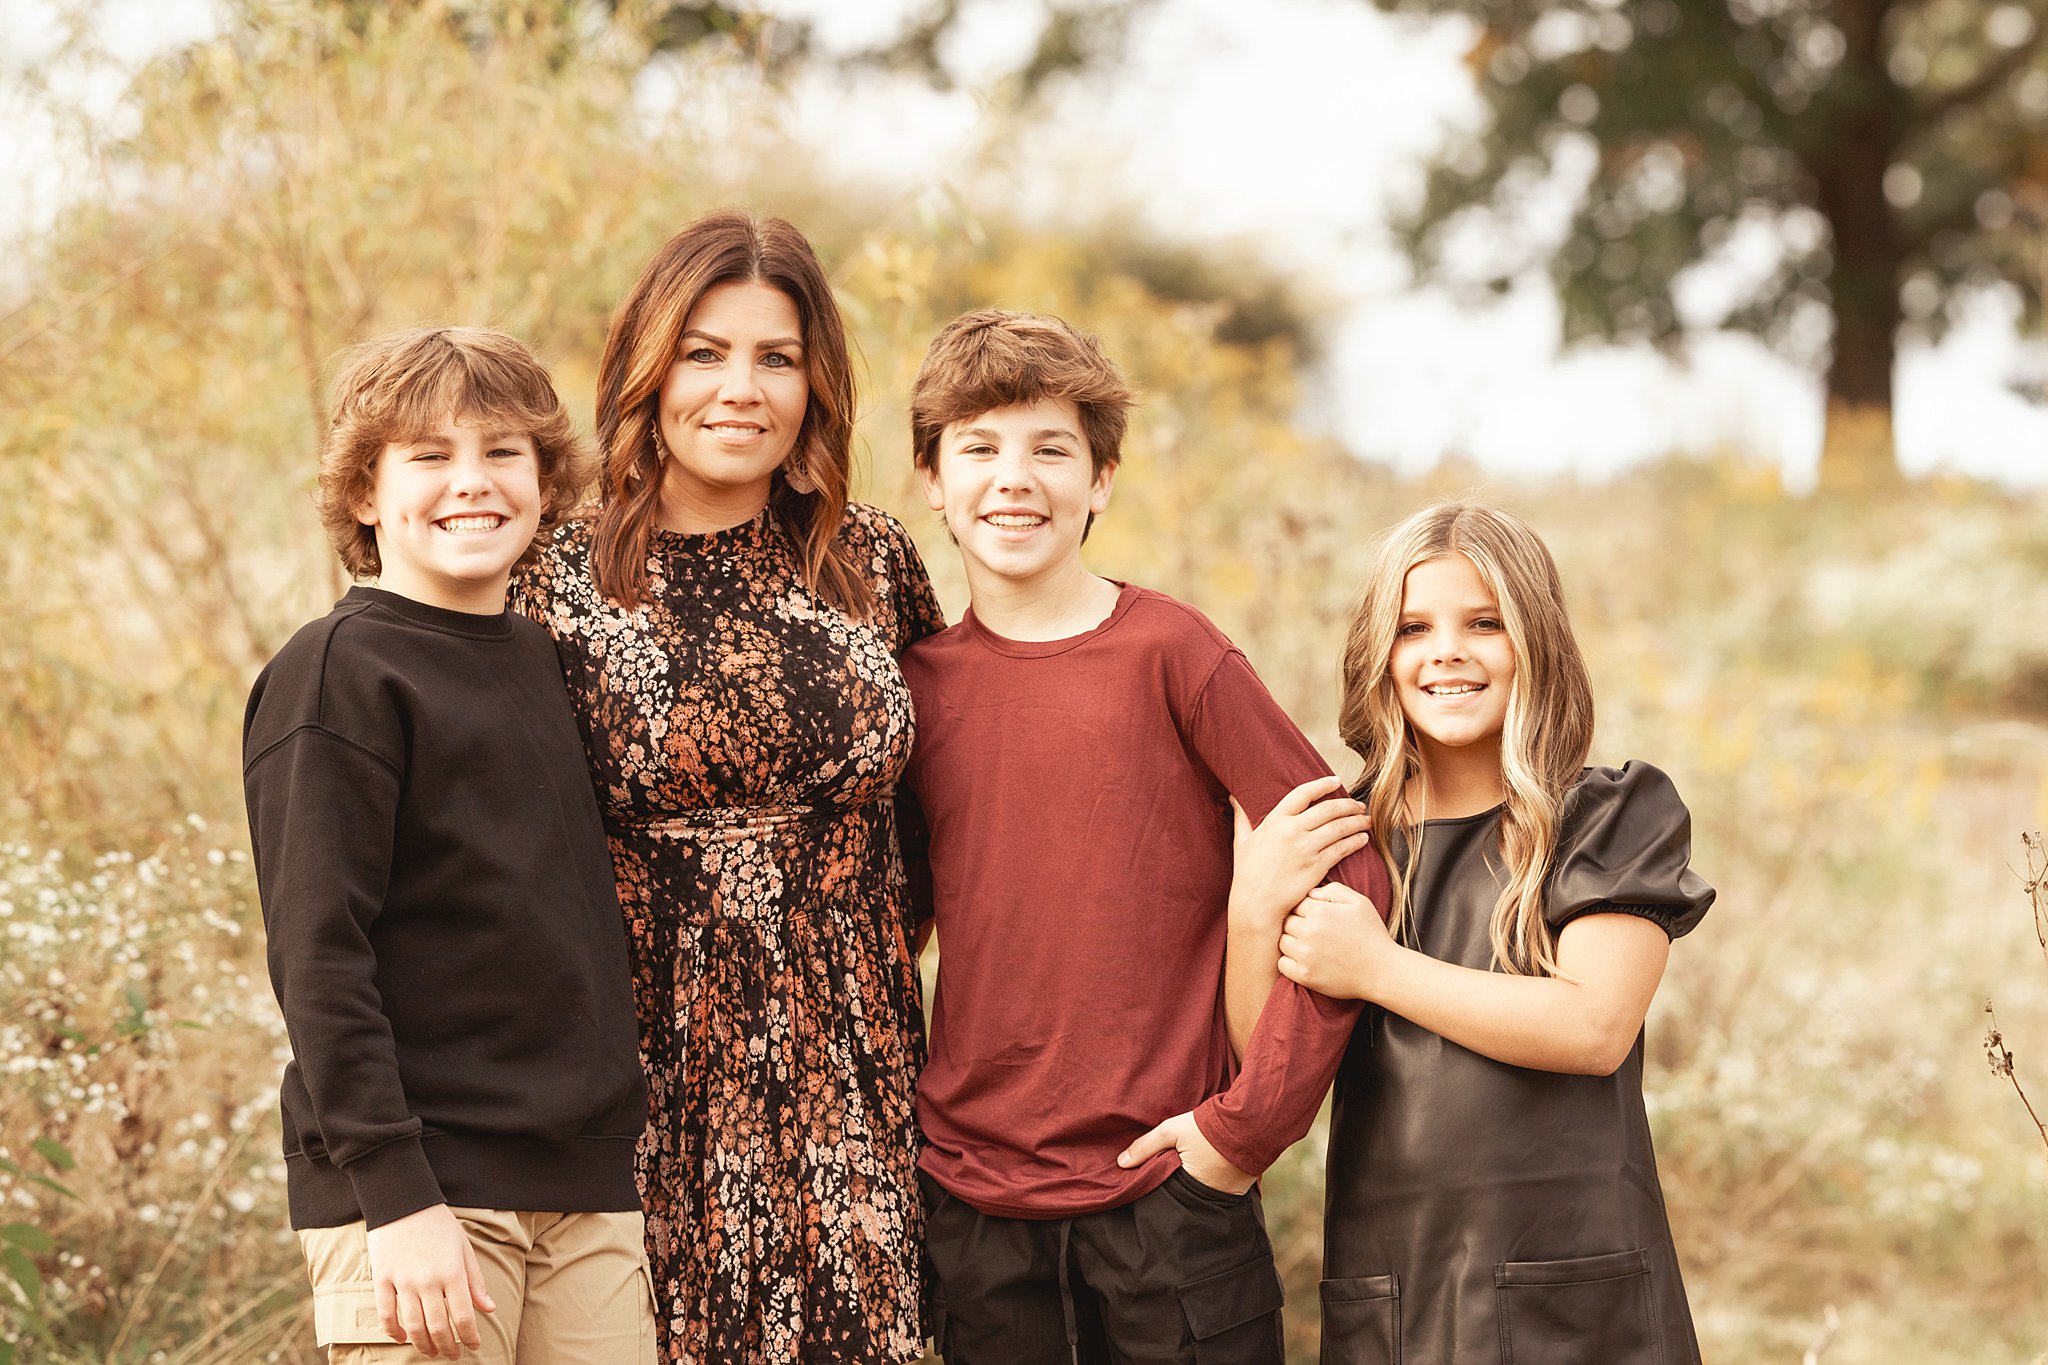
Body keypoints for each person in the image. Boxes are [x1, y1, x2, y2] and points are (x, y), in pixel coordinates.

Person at [896, 307, 1390, 1365]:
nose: (1012, 479)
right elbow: (889, 925)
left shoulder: (1173, 653)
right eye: (977, 448)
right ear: (932, 480)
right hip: (973, 1213)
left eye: (1050, 449)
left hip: (1168, 1193)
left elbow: (1352, 860)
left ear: (1102, 478)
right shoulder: (915, 690)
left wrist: (1246, 1127)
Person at [510, 211, 945, 1365]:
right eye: (704, 352)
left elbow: (943, 819)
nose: (738, 388)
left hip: (857, 1073)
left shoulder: (876, 560)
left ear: (816, 384)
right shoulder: (550, 575)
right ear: (647, 369)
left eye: (776, 357)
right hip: (641, 1078)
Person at [243, 327, 654, 1364]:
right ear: (366, 497)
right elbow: (317, 956)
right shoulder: (339, 671)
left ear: (546, 482)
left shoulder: (539, 657)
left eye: (502, 453)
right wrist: (395, 1195)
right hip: (426, 1196)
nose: (470, 483)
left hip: (580, 1189)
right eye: (429, 457)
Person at [1232, 501, 1713, 1363]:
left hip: (1577, 1293)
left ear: (1538, 639)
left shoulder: (1606, 815)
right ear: (1378, 654)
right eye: (1414, 627)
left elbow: (1594, 1027)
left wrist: (1376, 966)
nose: (1446, 650)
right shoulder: (1342, 837)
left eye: (1483, 622)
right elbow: (1262, 1073)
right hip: (1396, 1293)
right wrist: (1252, 911)